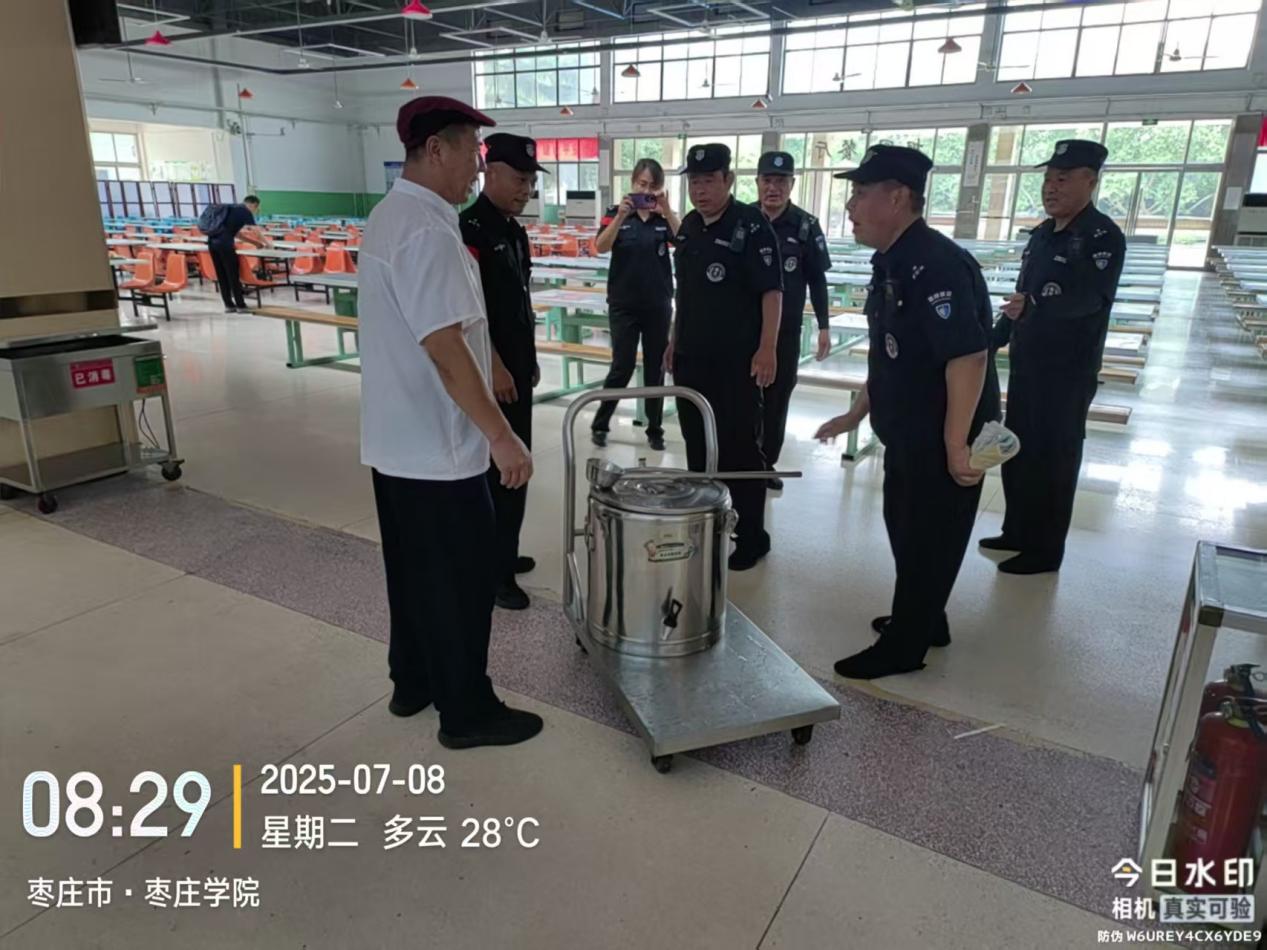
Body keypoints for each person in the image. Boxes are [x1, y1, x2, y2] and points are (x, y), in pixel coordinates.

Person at [359, 95, 542, 749]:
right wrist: (501, 434)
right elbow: (445, 345)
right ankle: (467, 712)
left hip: (395, 445)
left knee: (412, 575)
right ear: (435, 149)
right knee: (461, 583)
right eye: (471, 152)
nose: (477, 166)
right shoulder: (429, 230)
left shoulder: (390, 215)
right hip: (438, 452)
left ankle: (412, 682)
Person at [815, 145, 999, 680]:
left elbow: (968, 356)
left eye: (860, 193)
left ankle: (905, 646)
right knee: (908, 527)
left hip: (942, 433)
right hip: (910, 430)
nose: (850, 206)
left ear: (897, 197)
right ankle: (926, 618)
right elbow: (890, 353)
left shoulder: (937, 265)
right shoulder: (893, 260)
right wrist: (855, 414)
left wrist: (956, 444)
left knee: (928, 535)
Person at [984, 140, 1125, 575]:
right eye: (1047, 179)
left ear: (1090, 181)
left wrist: (1036, 306)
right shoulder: (1043, 234)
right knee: (1020, 448)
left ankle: (1045, 550)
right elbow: (1022, 294)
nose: (1051, 188)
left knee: (1054, 457)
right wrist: (993, 340)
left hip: (1067, 369)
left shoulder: (1101, 236)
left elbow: (1091, 299)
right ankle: (1017, 531)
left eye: (1062, 179)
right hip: (1029, 361)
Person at [667, 142, 782, 571]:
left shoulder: (751, 226)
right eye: (694, 182)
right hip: (691, 358)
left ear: (728, 180)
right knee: (698, 445)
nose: (700, 190)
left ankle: (751, 535)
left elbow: (772, 291)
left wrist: (768, 347)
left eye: (709, 181)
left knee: (739, 448)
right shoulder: (689, 227)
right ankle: (706, 525)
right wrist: (673, 340)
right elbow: (684, 293)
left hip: (737, 361)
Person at [460, 133, 545, 611]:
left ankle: (506, 553)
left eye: (530, 181)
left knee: (518, 465)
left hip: (516, 368)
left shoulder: (513, 230)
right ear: (489, 172)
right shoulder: (469, 229)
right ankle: (493, 573)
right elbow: (470, 311)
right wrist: (494, 366)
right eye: (518, 179)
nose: (525, 189)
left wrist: (528, 360)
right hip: (490, 374)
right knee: (498, 471)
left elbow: (520, 303)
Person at [753, 151, 833, 490]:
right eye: (767, 180)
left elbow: (817, 280)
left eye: (781, 181)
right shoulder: (744, 220)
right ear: (757, 183)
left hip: (785, 332)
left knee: (777, 398)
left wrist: (824, 326)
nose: (773, 188)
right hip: (745, 330)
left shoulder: (805, 226)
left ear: (792, 184)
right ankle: (744, 460)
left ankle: (766, 463)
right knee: (743, 397)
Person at [590, 157, 680, 451]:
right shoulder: (615, 213)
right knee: (622, 366)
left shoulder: (662, 218)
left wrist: (667, 210)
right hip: (623, 304)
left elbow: (684, 241)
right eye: (642, 184)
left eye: (653, 186)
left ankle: (655, 428)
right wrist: (620, 217)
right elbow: (600, 246)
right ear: (632, 183)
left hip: (657, 305)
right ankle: (600, 423)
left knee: (656, 368)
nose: (647, 191)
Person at [206, 195, 269, 313]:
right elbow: (256, 231)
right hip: (225, 246)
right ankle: (241, 305)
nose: (254, 211)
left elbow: (236, 234)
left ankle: (228, 305)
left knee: (222, 275)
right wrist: (268, 243)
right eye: (256, 208)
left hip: (212, 244)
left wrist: (255, 243)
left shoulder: (230, 208)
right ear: (253, 205)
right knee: (233, 275)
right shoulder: (245, 211)